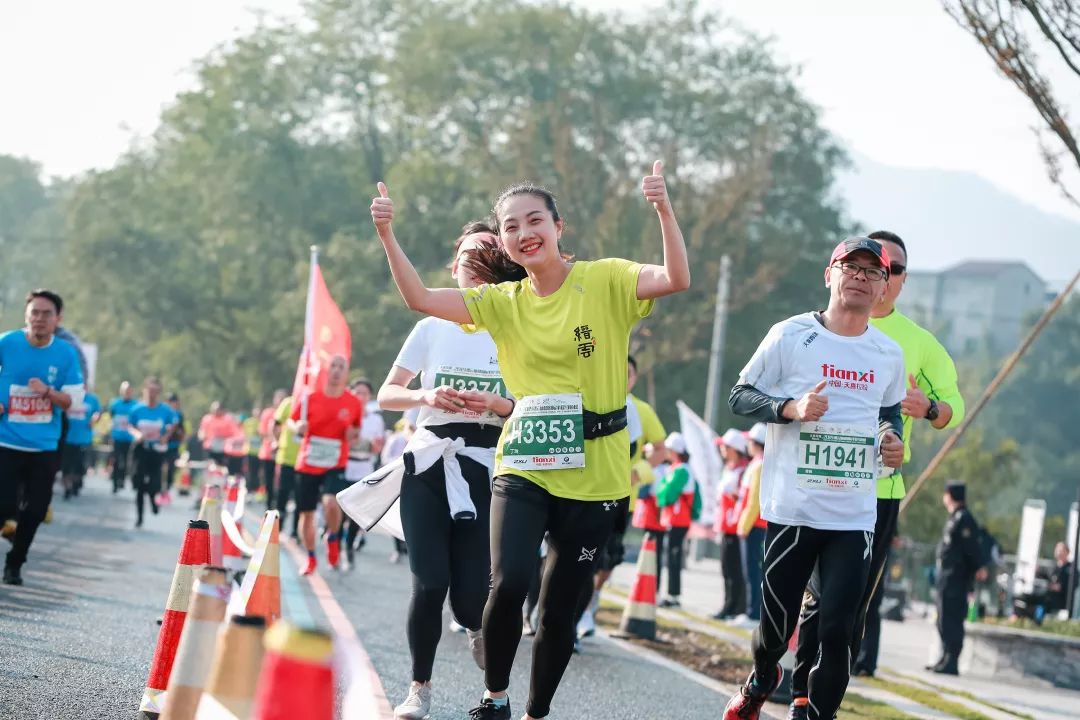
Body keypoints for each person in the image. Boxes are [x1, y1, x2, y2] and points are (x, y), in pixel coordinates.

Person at [369, 158, 690, 720]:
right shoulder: (501, 304)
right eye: (510, 226)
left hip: (598, 469)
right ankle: (494, 697)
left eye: (533, 220)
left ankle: (536, 711)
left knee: (561, 608)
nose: (523, 233)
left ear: (558, 227)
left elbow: (675, 279)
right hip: (523, 461)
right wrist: (387, 234)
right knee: (511, 578)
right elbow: (420, 298)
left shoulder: (605, 279)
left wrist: (663, 209)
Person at [722, 236, 906, 720]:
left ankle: (813, 712)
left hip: (853, 513)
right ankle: (764, 676)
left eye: (874, 272)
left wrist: (892, 439)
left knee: (839, 631)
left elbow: (889, 413)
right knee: (776, 629)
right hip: (793, 508)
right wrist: (790, 408)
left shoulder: (887, 353)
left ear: (884, 288)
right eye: (852, 268)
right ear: (830, 274)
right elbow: (740, 396)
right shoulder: (790, 336)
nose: (862, 278)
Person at [790, 230, 966, 704]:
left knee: (848, 607)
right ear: (845, 273)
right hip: (813, 483)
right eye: (864, 268)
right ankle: (798, 692)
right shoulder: (820, 326)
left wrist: (927, 407)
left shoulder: (918, 344)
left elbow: (954, 406)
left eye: (891, 269)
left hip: (876, 493)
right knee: (811, 599)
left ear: (897, 280)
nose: (876, 278)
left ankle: (821, 699)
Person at [373, 222, 521, 719]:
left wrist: (500, 404)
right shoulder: (431, 326)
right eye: (467, 260)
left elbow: (535, 403)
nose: (476, 269)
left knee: (467, 600)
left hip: (485, 471)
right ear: (452, 269)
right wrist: (423, 395)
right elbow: (385, 393)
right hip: (429, 462)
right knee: (428, 582)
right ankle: (420, 689)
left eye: (487, 259)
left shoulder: (514, 325)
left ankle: (480, 629)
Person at [0, 290, 84, 585]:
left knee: (36, 510)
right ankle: (8, 526)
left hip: (44, 446)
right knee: (4, 505)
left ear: (57, 319)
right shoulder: (7, 342)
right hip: (5, 442)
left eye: (46, 314)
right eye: (34, 312)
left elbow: (73, 401)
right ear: (27, 316)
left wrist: (47, 392)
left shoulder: (65, 353)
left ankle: (15, 563)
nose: (39, 319)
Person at [288, 354, 362, 575]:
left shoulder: (352, 402)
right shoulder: (310, 397)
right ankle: (310, 558)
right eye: (333, 366)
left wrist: (352, 434)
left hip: (335, 461)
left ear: (346, 373)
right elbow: (292, 422)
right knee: (307, 515)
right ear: (326, 371)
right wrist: (297, 427)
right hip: (308, 462)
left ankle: (332, 537)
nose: (337, 371)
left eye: (342, 367)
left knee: (331, 503)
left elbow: (356, 431)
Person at [928, 481, 987, 675]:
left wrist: (978, 567)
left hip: (956, 577)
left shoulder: (964, 518)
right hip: (946, 576)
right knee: (943, 617)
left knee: (952, 617)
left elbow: (971, 548)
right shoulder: (955, 517)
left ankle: (952, 660)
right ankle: (944, 656)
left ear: (951, 495)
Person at [341, 378, 385, 566]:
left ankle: (349, 545)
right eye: (357, 392)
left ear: (369, 397)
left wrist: (371, 445)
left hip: (364, 466)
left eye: (364, 393)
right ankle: (333, 534)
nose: (360, 396)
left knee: (356, 508)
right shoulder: (343, 413)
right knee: (339, 506)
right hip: (343, 465)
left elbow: (378, 447)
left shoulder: (375, 419)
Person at [655, 432, 700, 608]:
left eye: (669, 449)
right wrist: (663, 491)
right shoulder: (676, 468)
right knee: (671, 556)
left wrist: (662, 492)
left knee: (674, 557)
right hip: (673, 518)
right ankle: (671, 594)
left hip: (678, 520)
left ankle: (673, 596)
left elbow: (667, 494)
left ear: (675, 450)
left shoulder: (682, 469)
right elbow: (663, 491)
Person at [127, 377, 178, 528]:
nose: (152, 394)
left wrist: (165, 436)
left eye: (155, 392)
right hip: (141, 449)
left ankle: (153, 498)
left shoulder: (165, 410)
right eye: (150, 391)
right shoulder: (137, 409)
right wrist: (137, 434)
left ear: (159, 393)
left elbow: (173, 424)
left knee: (154, 482)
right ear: (144, 391)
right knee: (139, 484)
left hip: (157, 451)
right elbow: (130, 425)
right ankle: (139, 517)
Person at [713, 428, 749, 620]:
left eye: (725, 447)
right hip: (724, 526)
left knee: (735, 571)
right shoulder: (727, 469)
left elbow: (743, 499)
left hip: (736, 528)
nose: (722, 450)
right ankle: (728, 604)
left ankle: (735, 607)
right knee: (726, 569)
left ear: (735, 449)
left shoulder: (743, 471)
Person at [735, 422, 768, 622]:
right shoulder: (758, 462)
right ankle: (751, 611)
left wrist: (743, 526)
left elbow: (754, 499)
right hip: (755, 524)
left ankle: (752, 612)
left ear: (756, 443)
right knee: (753, 570)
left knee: (752, 571)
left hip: (754, 525)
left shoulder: (759, 464)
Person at [62, 384, 101, 499]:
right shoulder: (67, 397)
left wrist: (94, 419)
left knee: (79, 465)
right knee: (67, 466)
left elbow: (97, 412)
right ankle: (67, 488)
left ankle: (76, 484)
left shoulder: (92, 399)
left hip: (84, 439)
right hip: (68, 438)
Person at [272, 394, 301, 539]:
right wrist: (277, 441)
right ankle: (278, 527)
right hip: (286, 458)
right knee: (282, 494)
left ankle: (296, 530)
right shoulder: (288, 402)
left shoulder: (316, 401)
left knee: (300, 497)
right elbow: (276, 424)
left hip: (304, 461)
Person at [257, 391, 286, 511]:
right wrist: (274, 438)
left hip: (283, 453)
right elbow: (262, 431)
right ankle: (269, 505)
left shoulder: (288, 412)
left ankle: (280, 505)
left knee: (281, 481)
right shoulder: (268, 413)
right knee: (269, 480)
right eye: (278, 399)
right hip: (269, 452)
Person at [108, 381, 137, 493]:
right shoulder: (115, 404)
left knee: (126, 461)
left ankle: (122, 479)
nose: (127, 393)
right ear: (121, 391)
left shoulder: (135, 405)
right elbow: (111, 416)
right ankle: (114, 482)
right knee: (115, 459)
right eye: (125, 391)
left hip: (129, 439)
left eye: (129, 391)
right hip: (117, 437)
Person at [162, 392, 187, 502]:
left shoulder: (179, 415)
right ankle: (159, 489)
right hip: (161, 445)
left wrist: (181, 437)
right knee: (160, 468)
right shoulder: (162, 412)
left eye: (174, 402)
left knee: (171, 469)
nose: (172, 404)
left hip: (173, 445)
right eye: (170, 402)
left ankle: (166, 489)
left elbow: (182, 430)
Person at [1047, 542, 1076, 614]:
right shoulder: (1052, 567)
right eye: (1057, 550)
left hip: (1063, 605)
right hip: (1049, 602)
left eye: (1061, 550)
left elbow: (1074, 585)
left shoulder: (1071, 568)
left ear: (1067, 552)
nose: (1058, 552)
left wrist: (1060, 587)